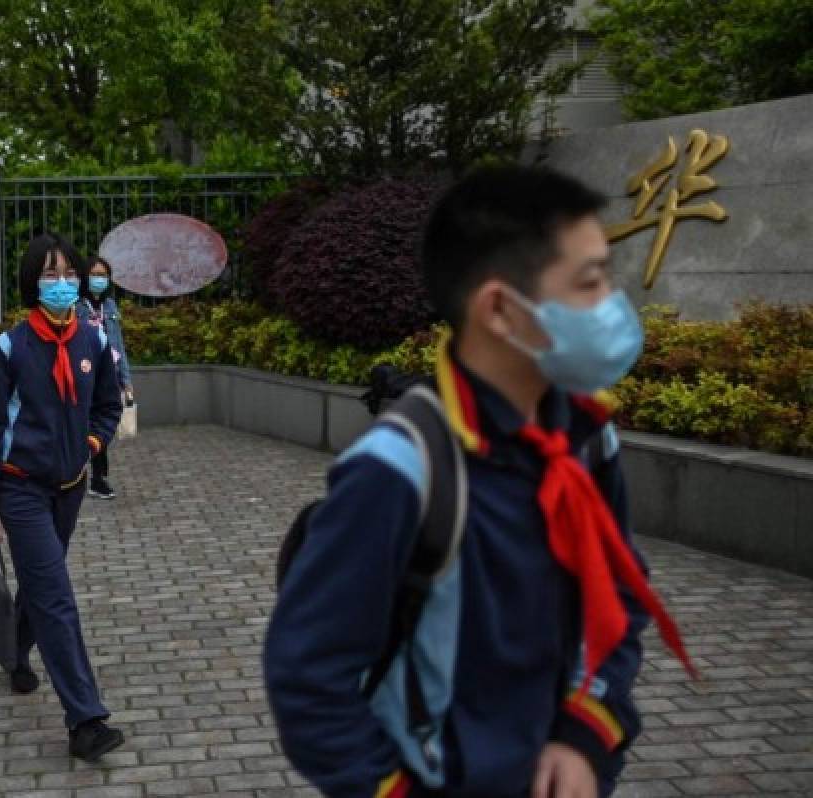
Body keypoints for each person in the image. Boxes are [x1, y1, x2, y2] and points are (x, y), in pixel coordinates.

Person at [264, 166, 695, 798]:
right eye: (589, 282)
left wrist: (583, 735)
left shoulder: (583, 435)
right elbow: (307, 673)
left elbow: (620, 593)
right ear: (500, 309)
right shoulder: (398, 471)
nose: (613, 303)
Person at [0, 232, 125, 762]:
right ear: (32, 283)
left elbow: (108, 404)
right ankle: (85, 720)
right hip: (21, 488)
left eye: (69, 274)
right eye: (49, 275)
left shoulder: (93, 340)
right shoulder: (11, 348)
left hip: (70, 487)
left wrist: (91, 441)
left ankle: (15, 653)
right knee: (56, 595)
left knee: (43, 581)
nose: (62, 284)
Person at [76, 255, 133, 499]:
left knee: (101, 425)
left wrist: (126, 380)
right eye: (95, 274)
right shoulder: (76, 306)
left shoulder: (110, 307)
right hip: (84, 371)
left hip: (107, 374)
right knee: (80, 424)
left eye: (103, 275)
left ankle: (98, 478)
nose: (99, 279)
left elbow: (118, 343)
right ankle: (75, 472)